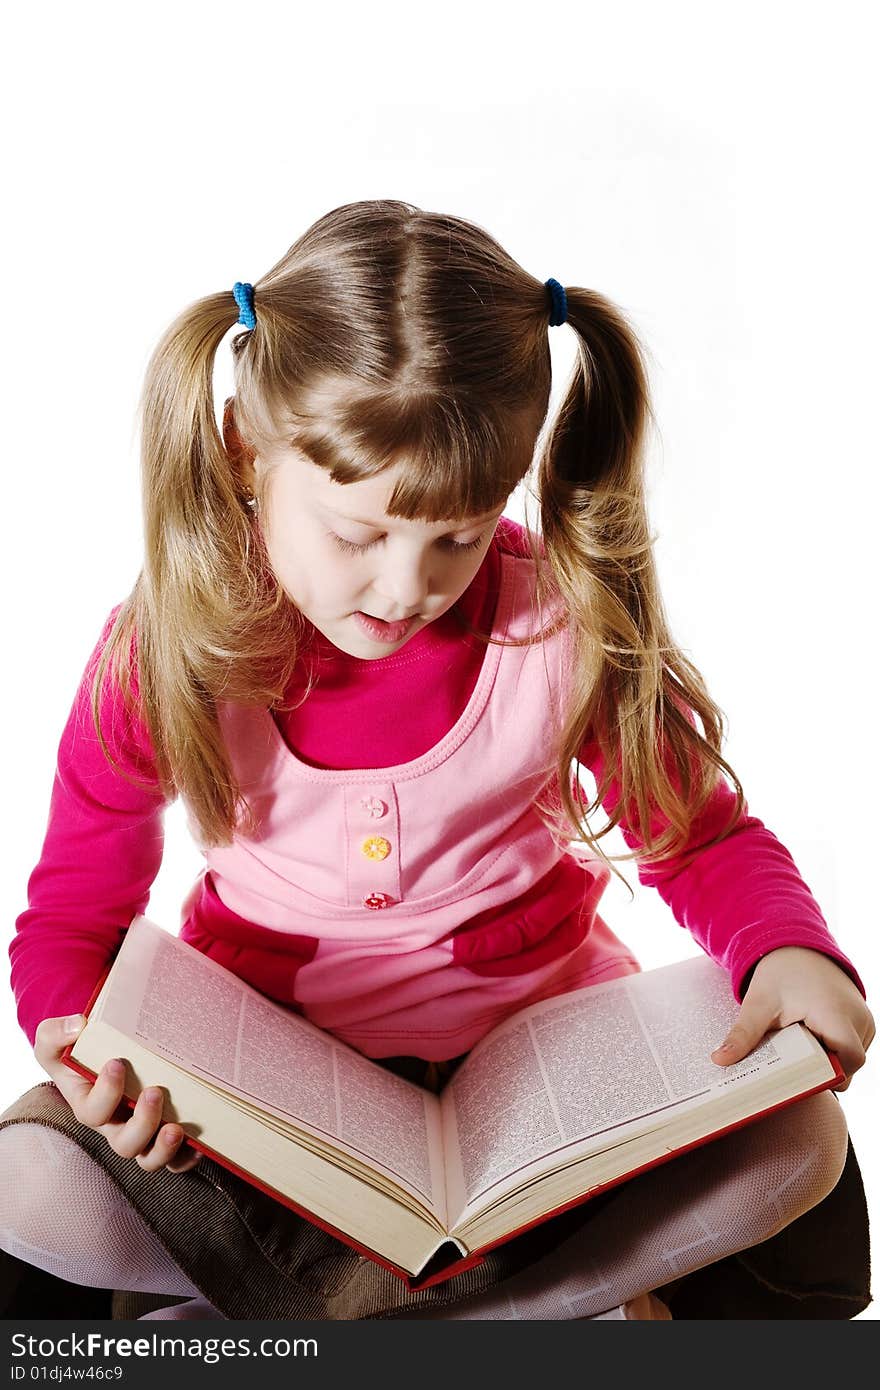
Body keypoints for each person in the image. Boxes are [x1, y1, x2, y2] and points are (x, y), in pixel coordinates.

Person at [0, 200, 873, 1322]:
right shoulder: (170, 647)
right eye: (359, 533)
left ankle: (312, 1315)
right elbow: (73, 922)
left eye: (457, 535)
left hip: (537, 1073)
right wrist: (82, 1046)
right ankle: (554, 1311)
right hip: (274, 1090)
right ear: (243, 452)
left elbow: (697, 835)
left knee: (799, 1140)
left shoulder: (555, 626)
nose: (408, 587)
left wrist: (790, 955)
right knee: (29, 1178)